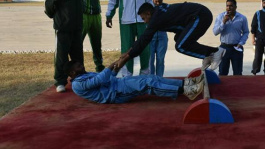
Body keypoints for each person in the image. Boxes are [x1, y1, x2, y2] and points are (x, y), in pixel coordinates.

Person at [116, 2, 226, 72]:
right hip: (196, 16)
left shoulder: (156, 19)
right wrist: (127, 52)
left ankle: (214, 53)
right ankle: (208, 55)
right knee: (179, 39)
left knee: (181, 46)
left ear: (149, 13)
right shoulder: (157, 12)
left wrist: (126, 59)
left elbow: (144, 40)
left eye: (144, 18)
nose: (145, 22)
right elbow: (141, 40)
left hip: (200, 16)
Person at [64, 60, 205, 103]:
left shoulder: (83, 75)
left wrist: (114, 70)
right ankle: (186, 92)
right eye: (78, 66)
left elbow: (106, 79)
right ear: (72, 73)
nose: (81, 65)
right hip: (116, 93)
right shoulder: (77, 85)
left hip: (118, 83)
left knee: (152, 77)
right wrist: (109, 67)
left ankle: (186, 83)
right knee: (147, 85)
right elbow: (98, 81)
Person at [105, 0, 152, 76]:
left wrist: (153, 14)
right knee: (127, 49)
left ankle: (145, 73)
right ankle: (127, 75)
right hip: (126, 20)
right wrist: (109, 15)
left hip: (143, 21)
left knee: (145, 48)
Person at [45, 0, 84, 93]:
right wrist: (57, 18)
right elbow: (49, 5)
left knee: (77, 56)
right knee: (61, 56)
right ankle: (60, 82)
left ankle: (78, 80)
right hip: (63, 29)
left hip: (77, 28)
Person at [80, 0, 105, 72]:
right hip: (83, 15)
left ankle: (99, 66)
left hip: (96, 15)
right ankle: (79, 68)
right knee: (78, 43)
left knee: (97, 43)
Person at [213, 0, 249, 75]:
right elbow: (215, 32)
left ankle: (238, 86)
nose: (229, 8)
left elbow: (246, 32)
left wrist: (241, 43)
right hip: (224, 48)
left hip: (237, 48)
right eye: (227, 6)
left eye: (231, 6)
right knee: (223, 72)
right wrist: (223, 22)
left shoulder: (242, 18)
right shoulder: (220, 17)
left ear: (235, 7)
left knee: (238, 72)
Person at [149, 0, 168, 76]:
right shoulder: (149, 8)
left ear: (162, 0)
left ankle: (159, 79)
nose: (157, 3)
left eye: (159, 2)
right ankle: (151, 79)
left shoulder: (166, 8)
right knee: (150, 60)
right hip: (150, 37)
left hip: (162, 36)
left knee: (160, 59)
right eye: (156, 1)